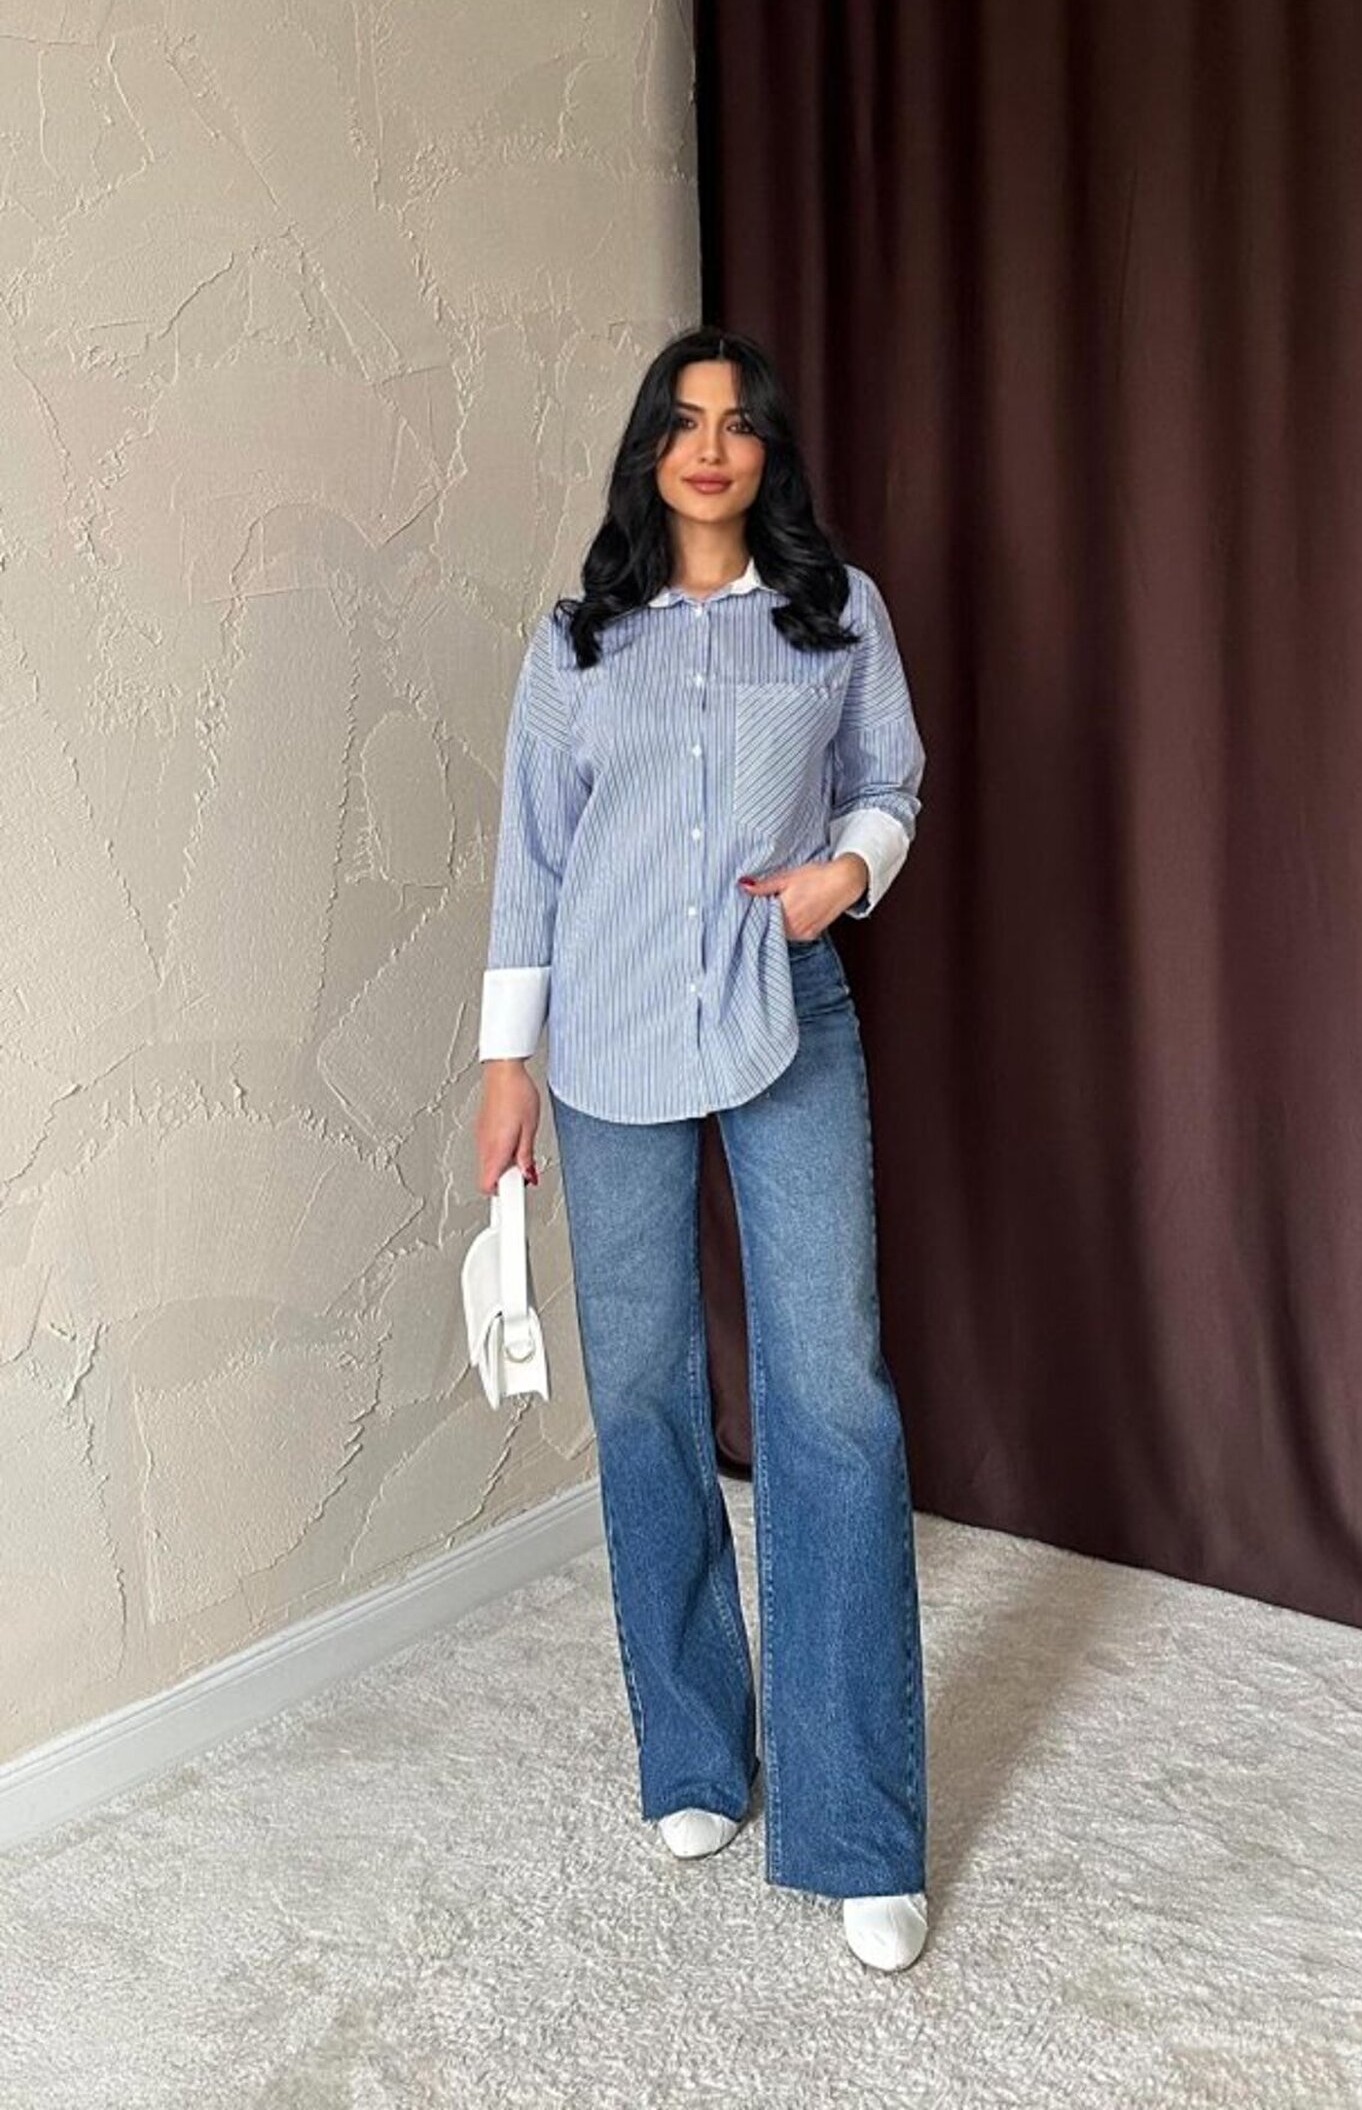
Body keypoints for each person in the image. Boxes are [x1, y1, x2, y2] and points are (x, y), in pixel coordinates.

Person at [473, 326, 930, 1973]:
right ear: (649, 450)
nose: (711, 445)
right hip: (601, 1030)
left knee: (832, 1393)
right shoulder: (577, 642)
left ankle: (857, 1825)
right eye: (683, 420)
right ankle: (690, 1755)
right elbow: (533, 856)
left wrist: (842, 877)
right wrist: (504, 1067)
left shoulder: (836, 612)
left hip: (784, 1004)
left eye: (737, 423)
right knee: (649, 1388)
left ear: (768, 451)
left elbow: (890, 781)